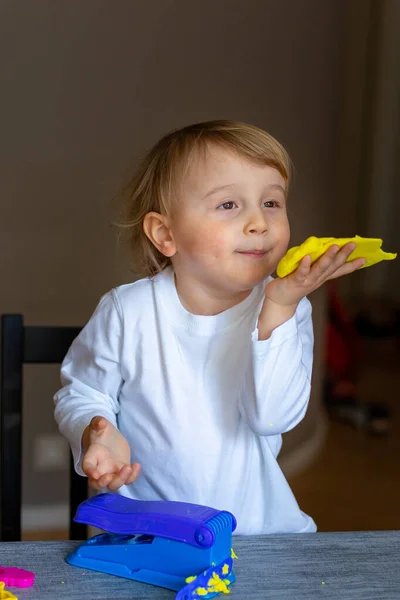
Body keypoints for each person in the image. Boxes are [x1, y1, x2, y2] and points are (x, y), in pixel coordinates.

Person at [54, 120, 365, 535]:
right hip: (144, 535)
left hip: (256, 534)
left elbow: (271, 418)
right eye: (229, 205)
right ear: (166, 234)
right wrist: (97, 431)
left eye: (272, 203)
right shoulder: (128, 312)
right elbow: (82, 392)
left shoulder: (287, 308)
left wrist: (279, 310)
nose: (259, 222)